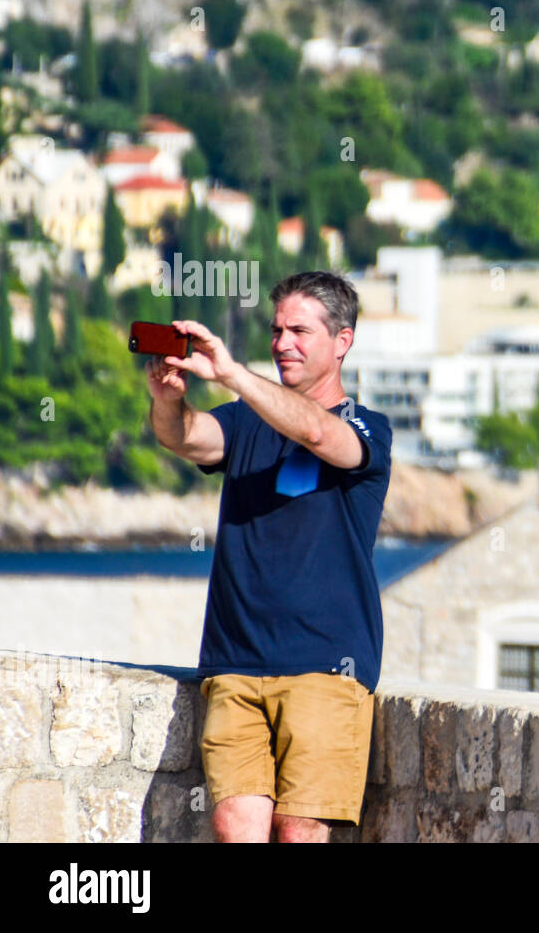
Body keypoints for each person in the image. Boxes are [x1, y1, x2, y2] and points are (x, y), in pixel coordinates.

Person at [145, 271, 392, 843]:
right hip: (235, 663)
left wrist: (231, 373)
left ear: (343, 342)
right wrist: (167, 402)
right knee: (235, 829)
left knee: (301, 832)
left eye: (300, 331)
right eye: (277, 329)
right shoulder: (245, 420)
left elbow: (321, 436)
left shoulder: (366, 427)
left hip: (326, 668)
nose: (283, 343)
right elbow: (187, 438)